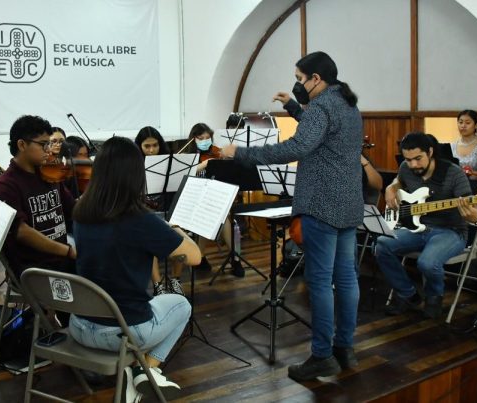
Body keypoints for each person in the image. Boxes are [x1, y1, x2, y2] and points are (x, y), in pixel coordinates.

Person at [221, 51, 363, 381]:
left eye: (300, 79)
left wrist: (239, 153)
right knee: (345, 279)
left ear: (316, 79)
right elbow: (323, 134)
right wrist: (293, 107)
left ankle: (321, 356)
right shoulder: (347, 103)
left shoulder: (323, 106)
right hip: (347, 204)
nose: (297, 84)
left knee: (319, 282)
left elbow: (294, 149)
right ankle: (345, 347)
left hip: (321, 204)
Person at [70, 136, 200, 402]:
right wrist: (174, 231)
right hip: (122, 333)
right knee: (182, 305)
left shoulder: (81, 210)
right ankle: (146, 369)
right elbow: (195, 257)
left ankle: (141, 373)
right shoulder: (140, 220)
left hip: (79, 326)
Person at [376, 132, 477, 319]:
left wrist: (474, 216)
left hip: (451, 231)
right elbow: (399, 181)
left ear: (430, 152)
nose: (413, 165)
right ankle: (408, 294)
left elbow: (473, 213)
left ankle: (434, 298)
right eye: (408, 160)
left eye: (418, 158)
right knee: (382, 245)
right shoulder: (406, 168)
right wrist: (391, 188)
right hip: (417, 228)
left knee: (427, 262)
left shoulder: (453, 173)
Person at [0, 115, 77, 277]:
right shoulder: (5, 186)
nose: (49, 150)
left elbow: (73, 208)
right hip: (34, 270)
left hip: (61, 260)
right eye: (43, 144)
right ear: (22, 145)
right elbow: (22, 232)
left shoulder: (49, 173)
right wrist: (68, 251)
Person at [188, 123, 245, 277]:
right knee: (217, 216)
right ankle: (235, 258)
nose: (206, 141)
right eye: (201, 138)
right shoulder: (189, 156)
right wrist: (203, 165)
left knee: (220, 215)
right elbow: (186, 174)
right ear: (193, 139)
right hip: (195, 199)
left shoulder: (217, 152)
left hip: (216, 198)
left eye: (208, 138)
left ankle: (200, 257)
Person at [135, 126, 185, 296]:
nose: (151, 150)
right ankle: (158, 285)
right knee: (149, 244)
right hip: (146, 214)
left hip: (169, 210)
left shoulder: (171, 163)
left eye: (155, 145)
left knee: (180, 239)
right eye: (146, 146)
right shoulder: (135, 165)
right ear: (139, 146)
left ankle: (175, 279)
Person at [451, 109, 477, 178]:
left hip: (475, 185)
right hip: (456, 186)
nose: (463, 126)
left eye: (468, 123)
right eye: (460, 122)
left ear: (476, 125)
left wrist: (470, 173)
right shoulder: (453, 146)